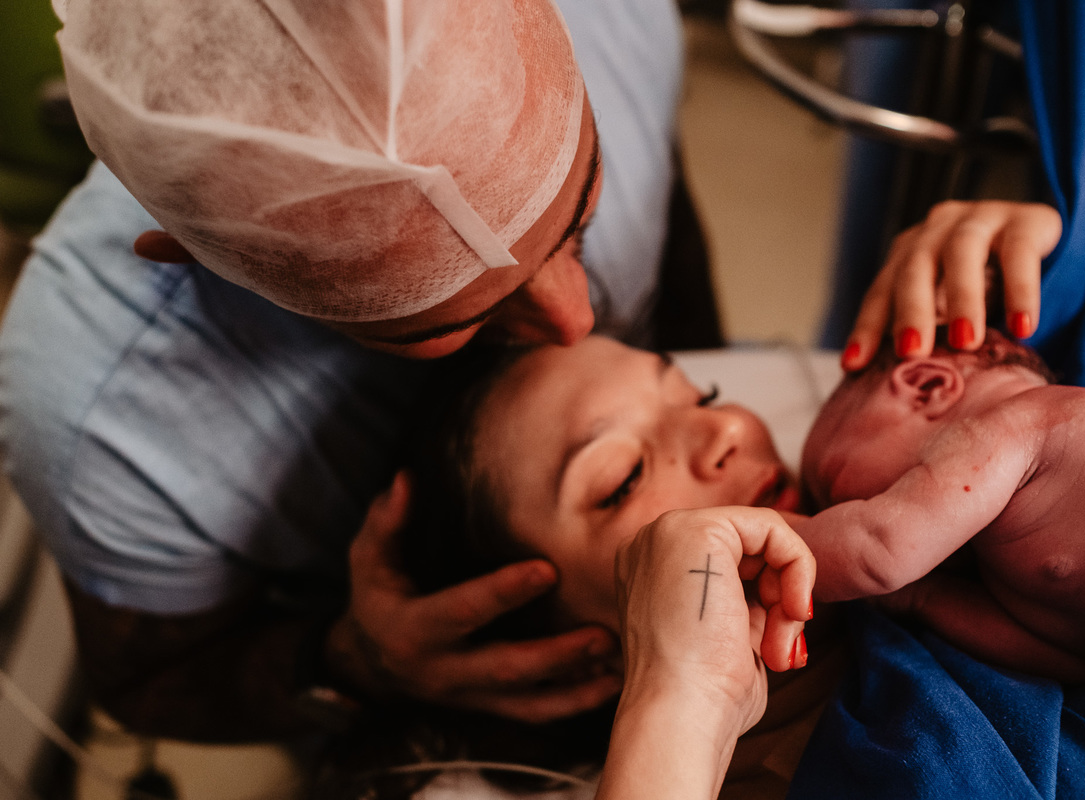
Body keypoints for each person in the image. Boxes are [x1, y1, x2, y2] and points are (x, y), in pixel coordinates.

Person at [0, 0, 706, 741]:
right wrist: (351, 662)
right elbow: (150, 682)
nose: (576, 321)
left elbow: (673, 234)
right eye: (454, 320)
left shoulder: (612, 17)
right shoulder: (98, 421)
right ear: (199, 254)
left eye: (579, 214)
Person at [390, 333, 1085, 800]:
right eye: (621, 479)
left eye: (699, 395)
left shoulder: (966, 545)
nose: (730, 431)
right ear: (572, 653)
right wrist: (683, 699)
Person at [798, 327, 1085, 685]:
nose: (832, 514)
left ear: (927, 387)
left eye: (832, 482)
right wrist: (920, 598)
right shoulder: (1001, 568)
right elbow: (1068, 661)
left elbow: (878, 547)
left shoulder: (1019, 420)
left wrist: (762, 543)